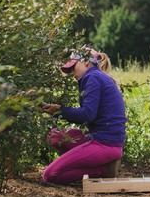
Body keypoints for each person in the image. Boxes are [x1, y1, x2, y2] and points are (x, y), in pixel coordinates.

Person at [40, 46, 127, 184]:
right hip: (97, 137)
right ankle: (85, 163)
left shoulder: (92, 77)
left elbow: (87, 114)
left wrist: (59, 110)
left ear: (86, 62)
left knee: (50, 175)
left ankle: (103, 170)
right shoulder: (95, 76)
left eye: (73, 67)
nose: (71, 73)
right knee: (55, 137)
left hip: (106, 143)